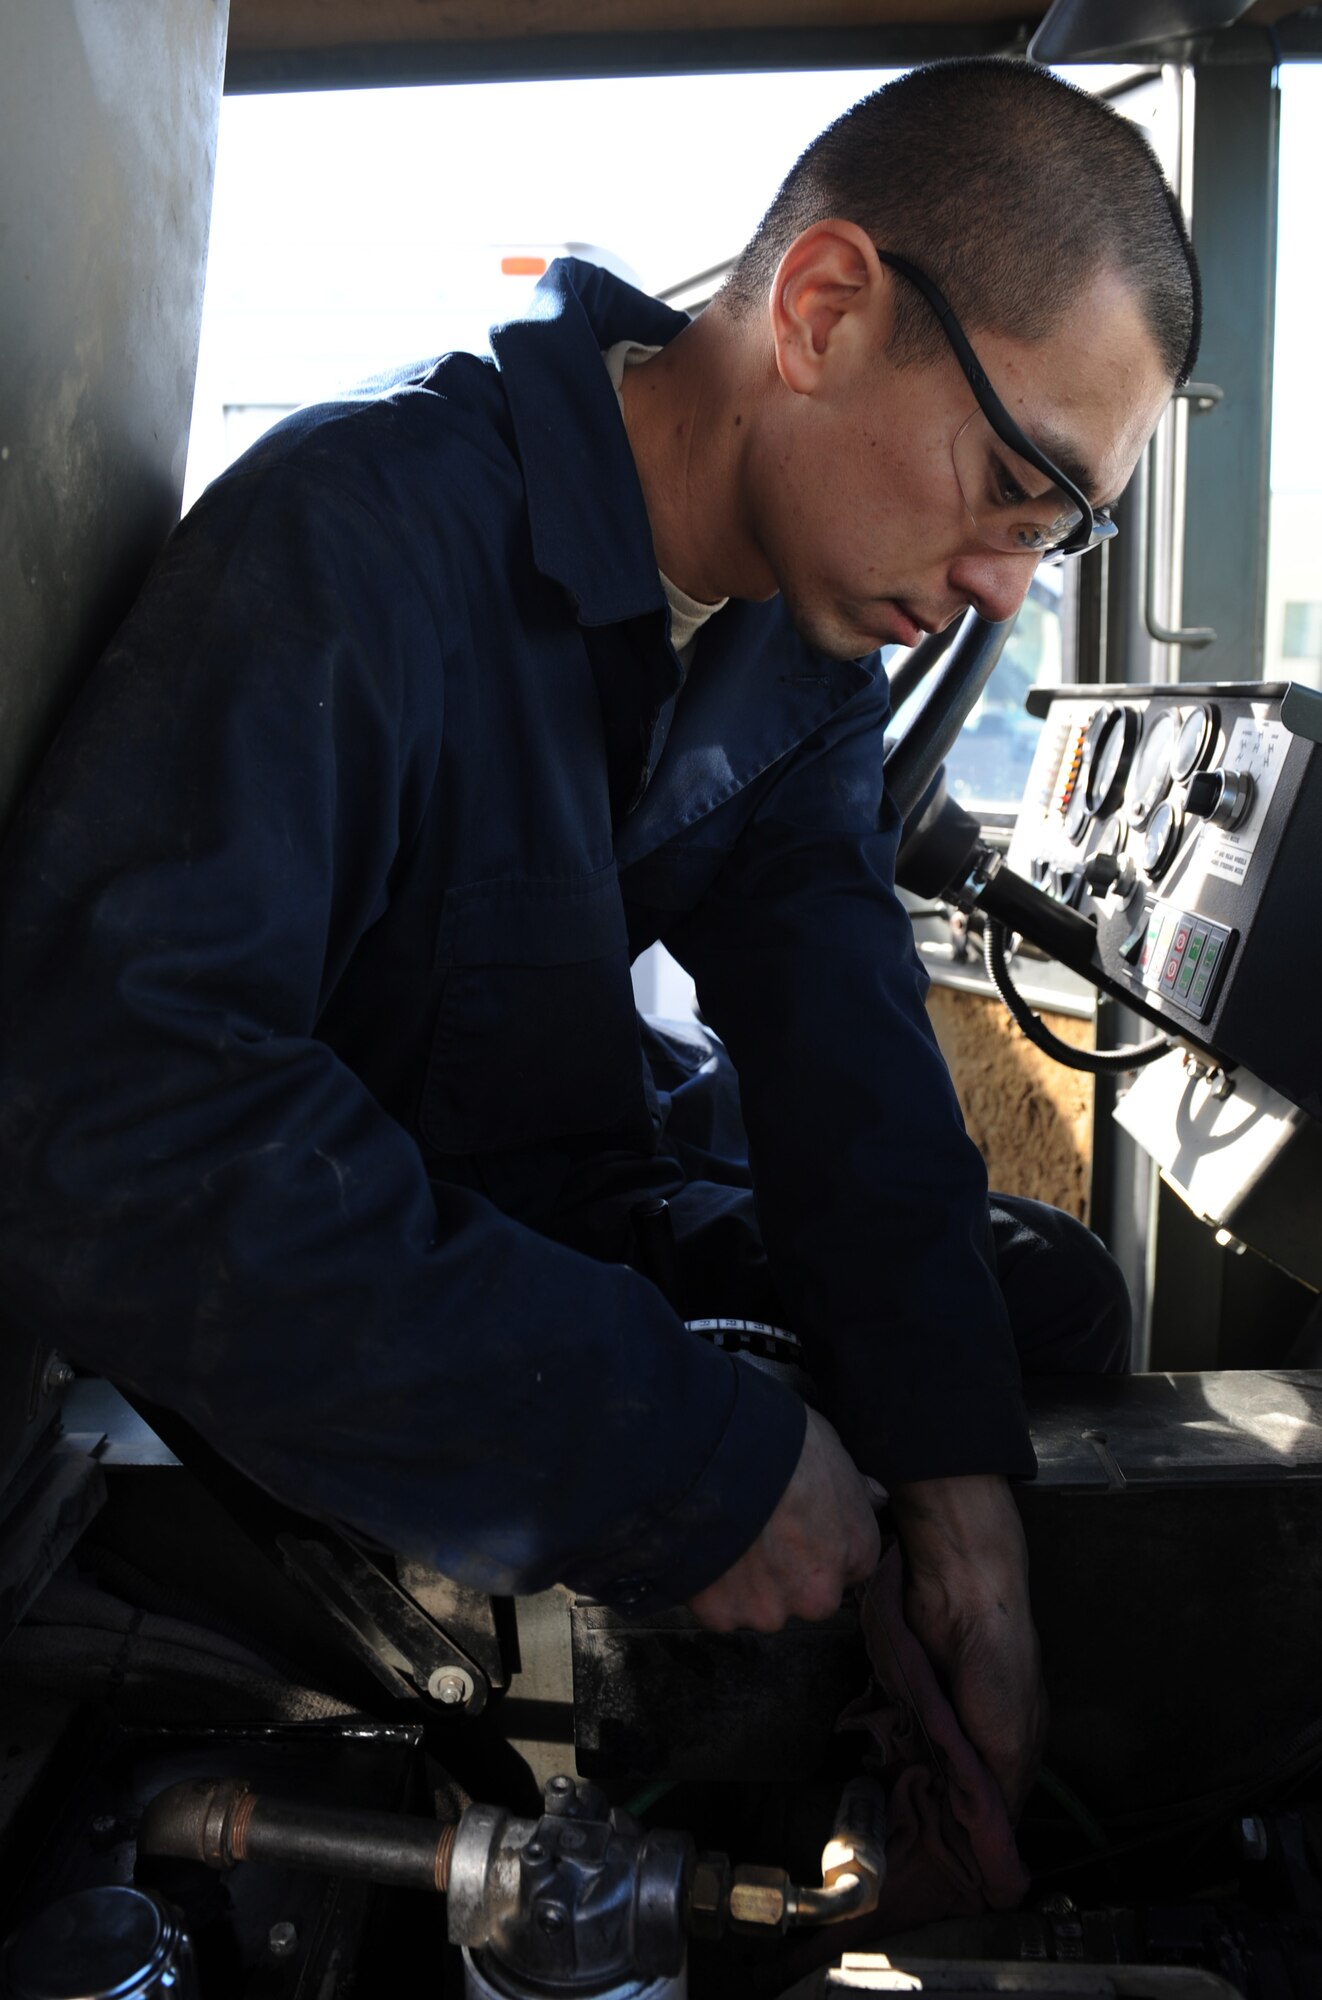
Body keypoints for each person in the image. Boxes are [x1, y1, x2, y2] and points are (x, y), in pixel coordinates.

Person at [0, 57, 1196, 1818]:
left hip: (552, 1215)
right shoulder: (362, 541)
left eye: (1056, 537)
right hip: (331, 1291)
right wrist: (668, 1456)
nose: (1004, 586)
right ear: (821, 309)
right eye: (1014, 492)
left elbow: (845, 1059)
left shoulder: (797, 651)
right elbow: (114, 1120)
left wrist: (959, 1497)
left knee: (1038, 1315)